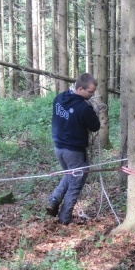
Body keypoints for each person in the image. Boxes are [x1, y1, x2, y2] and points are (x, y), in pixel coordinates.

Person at [45, 73, 101, 225]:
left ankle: (54, 200)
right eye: (90, 92)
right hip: (74, 151)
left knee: (69, 175)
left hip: (59, 148)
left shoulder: (59, 98)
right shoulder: (84, 107)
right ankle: (64, 219)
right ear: (81, 88)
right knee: (75, 183)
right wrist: (93, 112)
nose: (92, 94)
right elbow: (95, 126)